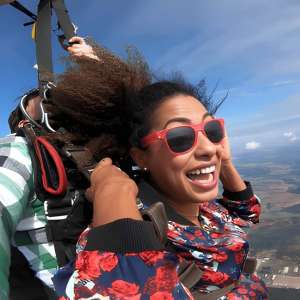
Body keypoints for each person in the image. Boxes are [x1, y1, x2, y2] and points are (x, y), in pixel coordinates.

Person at [47, 44, 269, 299]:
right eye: (180, 137)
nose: (208, 147)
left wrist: (224, 159)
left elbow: (247, 213)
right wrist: (112, 190)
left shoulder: (204, 209)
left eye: (212, 130)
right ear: (140, 156)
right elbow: (115, 288)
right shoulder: (141, 225)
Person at [0, 37, 97, 300]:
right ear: (24, 124)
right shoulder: (19, 149)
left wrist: (92, 63)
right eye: (42, 101)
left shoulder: (88, 153)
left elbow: (141, 118)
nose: (53, 104)